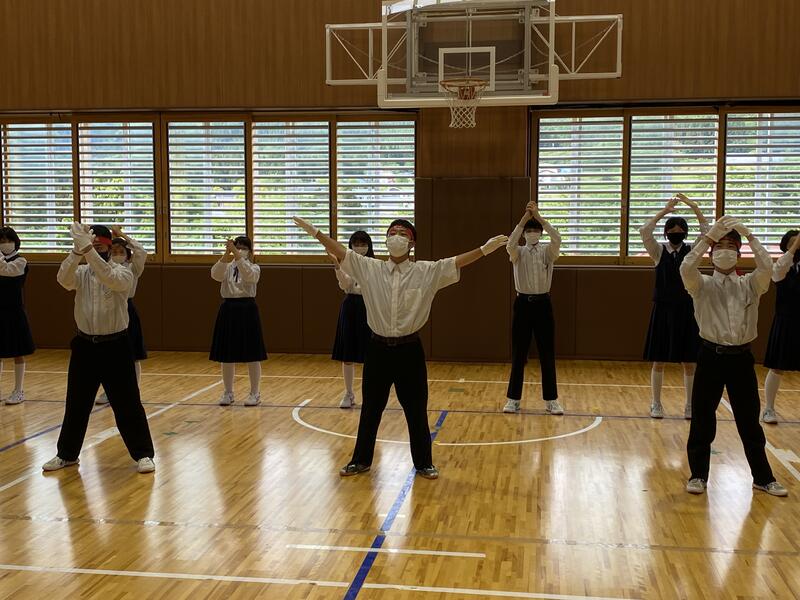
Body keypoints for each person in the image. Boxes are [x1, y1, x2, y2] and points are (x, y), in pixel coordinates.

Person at [293, 215, 507, 479]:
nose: (396, 237)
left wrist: (484, 250)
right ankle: (360, 460)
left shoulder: (426, 272)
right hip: (377, 349)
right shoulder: (369, 268)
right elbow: (340, 251)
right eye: (392, 232)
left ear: (412, 243)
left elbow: (455, 262)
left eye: (403, 234)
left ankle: (424, 462)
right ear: (386, 240)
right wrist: (315, 232)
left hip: (409, 350)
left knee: (416, 409)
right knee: (370, 409)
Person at [680, 216, 787, 497]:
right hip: (710, 356)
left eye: (731, 246)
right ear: (711, 254)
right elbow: (686, 266)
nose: (724, 250)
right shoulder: (700, 284)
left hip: (741, 359)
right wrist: (708, 237)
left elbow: (768, 267)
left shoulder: (751, 284)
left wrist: (749, 235)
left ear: (739, 254)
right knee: (702, 419)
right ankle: (698, 475)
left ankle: (763, 477)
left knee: (749, 421)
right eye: (720, 246)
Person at [43, 223, 155, 474]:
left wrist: (88, 250)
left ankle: (143, 454)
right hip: (85, 345)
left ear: (108, 246)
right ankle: (67, 454)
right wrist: (76, 251)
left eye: (99, 245)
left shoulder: (123, 272)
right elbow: (63, 279)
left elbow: (109, 278)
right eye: (91, 244)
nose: (94, 249)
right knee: (77, 403)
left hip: (116, 345)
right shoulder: (82, 272)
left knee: (127, 404)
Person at [640, 194, 709, 419]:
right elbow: (645, 231)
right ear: (666, 232)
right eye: (671, 229)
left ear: (685, 233)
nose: (675, 233)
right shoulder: (658, 252)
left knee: (689, 362)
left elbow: (706, 233)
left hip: (687, 310)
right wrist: (664, 211)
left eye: (680, 230)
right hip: (662, 309)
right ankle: (656, 403)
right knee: (658, 360)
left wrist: (695, 207)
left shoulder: (692, 252)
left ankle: (690, 405)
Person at [503, 201, 563, 415]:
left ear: (540, 233)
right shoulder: (517, 252)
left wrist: (539, 217)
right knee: (519, 353)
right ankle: (513, 399)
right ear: (524, 234)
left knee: (547, 353)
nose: (532, 233)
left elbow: (557, 238)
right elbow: (510, 243)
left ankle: (551, 400)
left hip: (543, 304)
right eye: (528, 231)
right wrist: (523, 219)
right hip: (523, 305)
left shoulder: (548, 252)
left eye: (535, 230)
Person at [210, 236, 267, 406]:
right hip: (229, 308)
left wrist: (236, 254)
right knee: (227, 354)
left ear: (249, 251)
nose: (240, 250)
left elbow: (249, 276)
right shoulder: (227, 266)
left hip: (247, 308)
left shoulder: (254, 267)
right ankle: (228, 392)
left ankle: (255, 393)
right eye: (238, 247)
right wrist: (226, 255)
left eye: (243, 248)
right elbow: (215, 275)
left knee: (252, 353)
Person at [96, 227, 148, 405]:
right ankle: (108, 391)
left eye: (121, 252)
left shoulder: (133, 269)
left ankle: (134, 390)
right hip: (107, 310)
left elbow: (141, 251)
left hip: (127, 309)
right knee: (108, 355)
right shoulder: (105, 268)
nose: (118, 255)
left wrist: (122, 236)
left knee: (132, 355)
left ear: (128, 255)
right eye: (114, 251)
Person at [330, 231, 374, 409]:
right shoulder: (346, 263)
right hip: (350, 306)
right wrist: (337, 265)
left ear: (369, 246)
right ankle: (348, 393)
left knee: (370, 354)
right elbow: (345, 284)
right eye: (356, 244)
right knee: (347, 353)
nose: (360, 247)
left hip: (369, 306)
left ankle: (370, 395)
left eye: (363, 244)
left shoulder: (375, 265)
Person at [762, 229, 800, 424]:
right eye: (793, 243)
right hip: (785, 322)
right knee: (777, 368)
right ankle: (768, 409)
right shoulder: (780, 267)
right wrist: (795, 246)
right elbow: (779, 270)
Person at [0, 226, 35, 405]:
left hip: (14, 311)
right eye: (2, 241)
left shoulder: (20, 261)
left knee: (17, 352)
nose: (5, 244)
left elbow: (7, 270)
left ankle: (18, 390)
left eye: (8, 240)